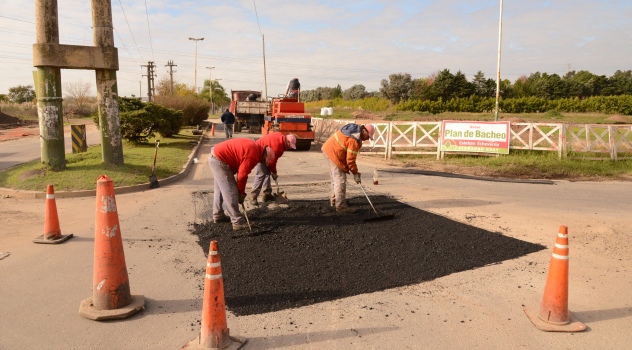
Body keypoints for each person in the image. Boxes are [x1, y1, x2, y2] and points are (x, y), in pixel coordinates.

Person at [208, 138, 275, 231]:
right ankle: (237, 221)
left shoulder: (256, 147)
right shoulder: (253, 155)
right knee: (231, 191)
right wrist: (241, 193)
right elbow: (242, 176)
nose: (263, 162)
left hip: (216, 156)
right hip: (220, 160)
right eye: (265, 160)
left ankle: (218, 215)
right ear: (265, 155)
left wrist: (241, 192)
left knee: (220, 189)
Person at [321, 123, 375, 213]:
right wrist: (355, 173)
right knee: (340, 179)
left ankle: (335, 200)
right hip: (333, 153)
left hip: (329, 149)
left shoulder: (354, 131)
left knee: (335, 178)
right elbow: (350, 160)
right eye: (368, 135)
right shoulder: (354, 139)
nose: (368, 138)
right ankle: (341, 206)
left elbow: (348, 158)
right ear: (364, 130)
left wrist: (354, 172)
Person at [248, 132, 297, 205]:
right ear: (287, 141)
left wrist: (272, 171)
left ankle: (267, 194)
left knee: (267, 173)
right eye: (290, 145)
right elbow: (272, 162)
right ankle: (253, 196)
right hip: (258, 151)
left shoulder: (280, 136)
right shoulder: (278, 147)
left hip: (264, 150)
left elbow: (272, 160)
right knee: (261, 174)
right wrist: (274, 173)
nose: (290, 148)